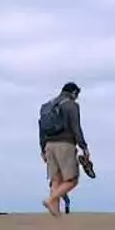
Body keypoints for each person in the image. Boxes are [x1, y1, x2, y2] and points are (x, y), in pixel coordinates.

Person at [39, 82, 90, 217]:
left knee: (56, 179)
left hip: (49, 145)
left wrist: (42, 148)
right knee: (72, 180)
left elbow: (41, 129)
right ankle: (50, 200)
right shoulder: (71, 105)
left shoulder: (47, 106)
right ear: (74, 92)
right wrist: (83, 147)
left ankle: (55, 212)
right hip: (65, 144)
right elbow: (76, 127)